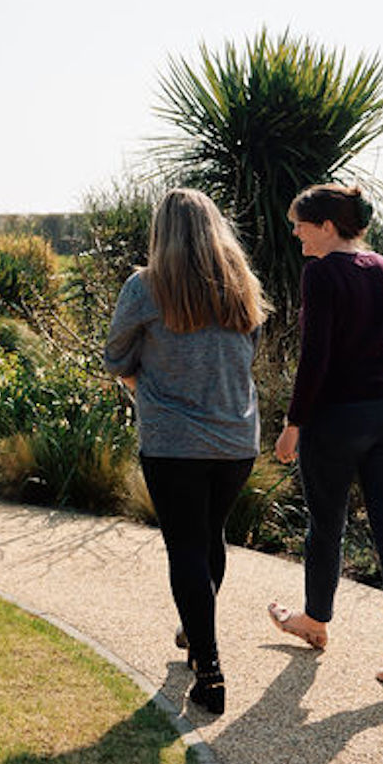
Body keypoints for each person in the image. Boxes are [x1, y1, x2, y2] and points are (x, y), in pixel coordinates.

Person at [103, 188, 267, 715]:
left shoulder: (146, 286)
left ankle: (210, 664)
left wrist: (145, 389)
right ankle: (198, 638)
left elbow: (116, 357)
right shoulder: (241, 283)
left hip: (174, 440)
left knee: (186, 548)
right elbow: (250, 351)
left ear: (162, 231)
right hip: (236, 439)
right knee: (208, 537)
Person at [267, 183, 383, 688]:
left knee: (326, 524)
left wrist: (293, 426)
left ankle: (315, 622)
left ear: (328, 226)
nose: (296, 235)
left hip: (337, 418)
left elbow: (315, 357)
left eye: (301, 225)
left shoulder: (321, 273)